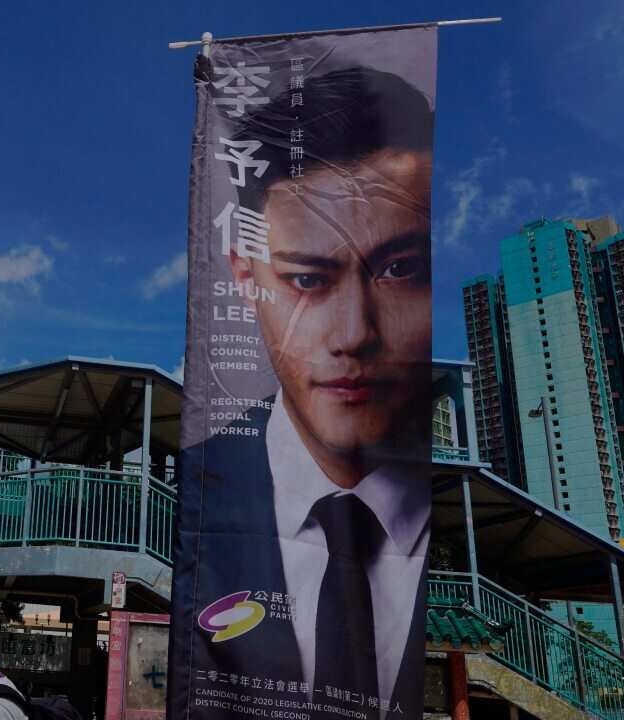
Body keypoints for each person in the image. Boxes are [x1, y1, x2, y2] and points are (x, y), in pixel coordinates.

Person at [182, 65, 434, 718]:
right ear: (245, 278)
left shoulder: (448, 507)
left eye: (400, 269)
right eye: (306, 280)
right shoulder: (200, 489)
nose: (353, 334)